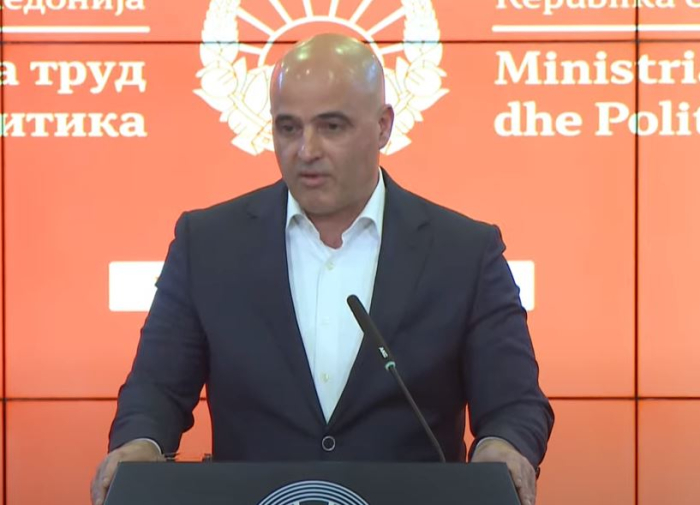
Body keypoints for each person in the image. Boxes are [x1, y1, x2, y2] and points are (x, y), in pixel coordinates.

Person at [91, 33, 554, 505]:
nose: (306, 149)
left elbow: (514, 402)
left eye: (331, 127)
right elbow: (156, 389)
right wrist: (140, 445)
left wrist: (502, 447)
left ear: (383, 126)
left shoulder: (464, 252)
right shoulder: (207, 244)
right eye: (288, 128)